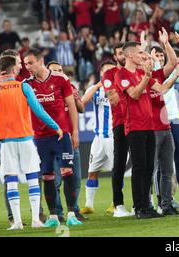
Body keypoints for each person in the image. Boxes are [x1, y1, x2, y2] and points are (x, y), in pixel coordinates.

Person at [0, 55, 63, 230]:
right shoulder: (23, 86)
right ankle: (36, 221)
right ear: (13, 68)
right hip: (25, 139)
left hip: (6, 142)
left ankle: (17, 222)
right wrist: (56, 127)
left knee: (11, 180)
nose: (20, 67)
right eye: (18, 65)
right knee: (32, 178)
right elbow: (39, 110)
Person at [115, 41, 179, 219]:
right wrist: (146, 76)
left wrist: (176, 76)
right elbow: (135, 94)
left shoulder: (140, 72)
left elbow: (161, 88)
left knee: (148, 168)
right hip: (134, 127)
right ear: (129, 55)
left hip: (150, 126)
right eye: (139, 52)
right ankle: (139, 208)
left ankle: (147, 206)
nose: (143, 55)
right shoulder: (121, 74)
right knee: (139, 168)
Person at [23, 49, 81, 227]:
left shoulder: (61, 79)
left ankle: (72, 213)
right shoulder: (26, 84)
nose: (28, 67)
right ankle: (53, 216)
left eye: (30, 63)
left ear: (40, 61)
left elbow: (71, 105)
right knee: (47, 176)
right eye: (25, 64)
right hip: (40, 138)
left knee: (67, 173)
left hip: (62, 135)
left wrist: (75, 132)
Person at [47, 61, 86, 222]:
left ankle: (74, 210)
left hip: (71, 140)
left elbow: (82, 109)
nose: (58, 73)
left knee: (75, 179)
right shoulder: (46, 92)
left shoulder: (70, 87)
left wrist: (77, 99)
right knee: (55, 181)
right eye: (54, 71)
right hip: (54, 141)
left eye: (60, 70)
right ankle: (57, 212)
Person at [148, 28, 179, 215]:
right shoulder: (141, 79)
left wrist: (166, 43)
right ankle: (147, 205)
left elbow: (174, 62)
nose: (154, 61)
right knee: (150, 171)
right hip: (150, 129)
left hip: (165, 127)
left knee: (167, 170)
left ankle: (166, 206)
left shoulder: (157, 74)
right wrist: (175, 76)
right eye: (150, 59)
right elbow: (161, 89)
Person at [79, 60, 115, 214]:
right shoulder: (95, 90)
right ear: (101, 74)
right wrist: (97, 86)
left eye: (111, 72)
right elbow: (82, 102)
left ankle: (116, 203)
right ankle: (89, 205)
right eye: (105, 72)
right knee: (92, 171)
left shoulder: (120, 87)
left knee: (116, 171)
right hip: (98, 138)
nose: (108, 74)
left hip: (114, 137)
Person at [101, 42, 132, 217]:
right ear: (115, 57)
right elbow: (112, 99)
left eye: (124, 53)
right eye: (119, 53)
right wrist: (132, 93)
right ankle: (118, 205)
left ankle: (143, 202)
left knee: (142, 164)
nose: (122, 55)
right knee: (119, 163)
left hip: (137, 122)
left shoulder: (135, 72)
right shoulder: (109, 74)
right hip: (120, 122)